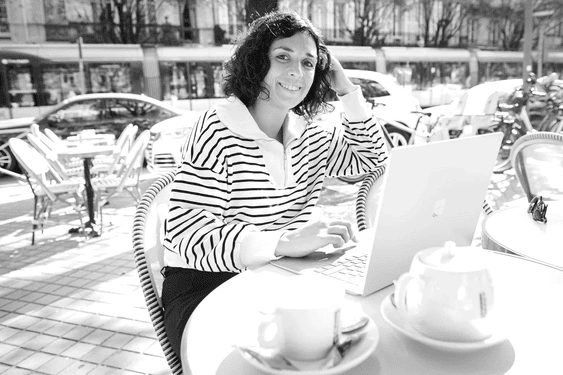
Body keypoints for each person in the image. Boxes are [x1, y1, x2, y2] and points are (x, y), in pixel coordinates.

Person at [160, 10, 389, 358]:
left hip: (281, 279)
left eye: (309, 63)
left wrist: (344, 87)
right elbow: (187, 234)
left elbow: (373, 161)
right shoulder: (216, 128)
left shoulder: (309, 133)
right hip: (205, 287)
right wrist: (282, 242)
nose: (297, 72)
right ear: (257, 62)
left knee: (352, 344)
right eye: (283, 57)